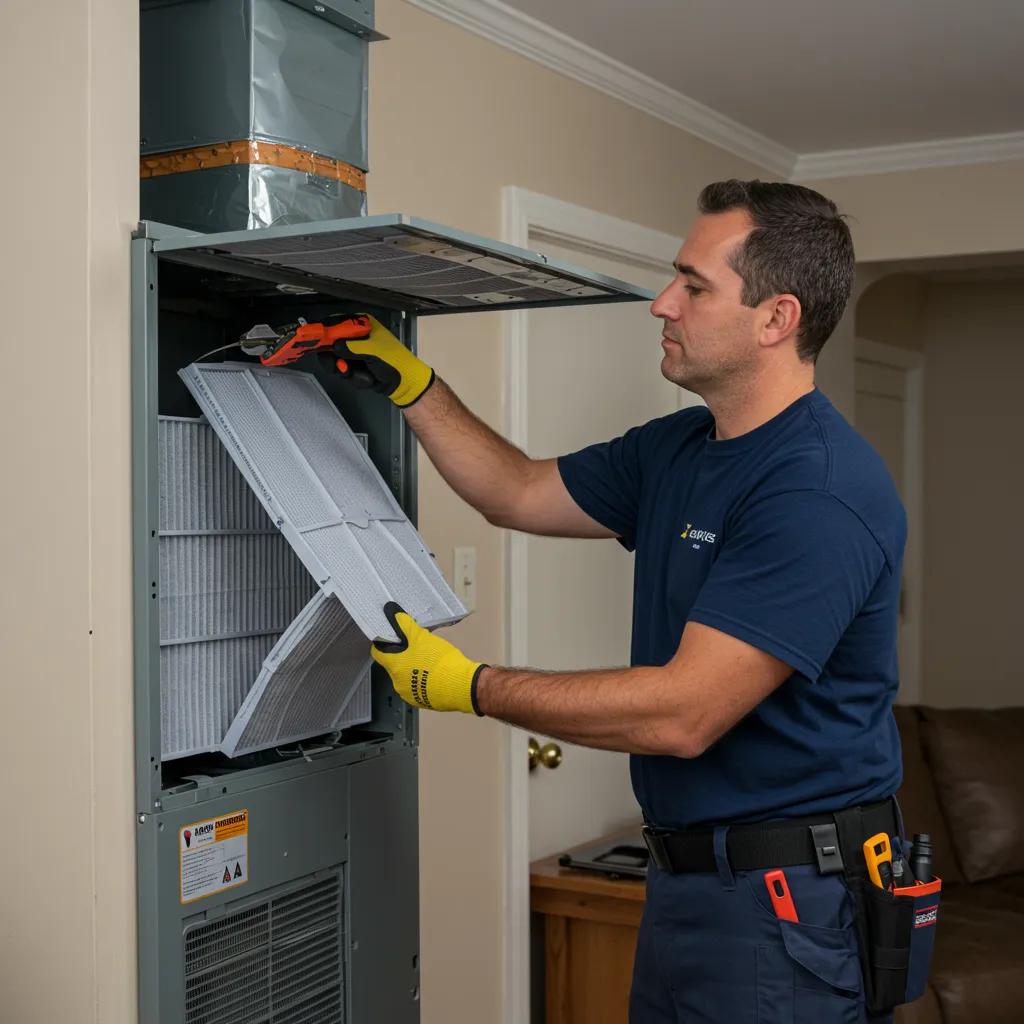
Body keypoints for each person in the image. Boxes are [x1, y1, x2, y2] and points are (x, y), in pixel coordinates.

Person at [339, 180, 906, 1023]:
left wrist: (470, 685)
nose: (662, 304)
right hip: (688, 883)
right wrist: (412, 383)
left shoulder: (819, 491)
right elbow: (519, 491)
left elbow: (685, 713)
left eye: (693, 284)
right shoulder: (680, 446)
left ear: (777, 318)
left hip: (789, 904)